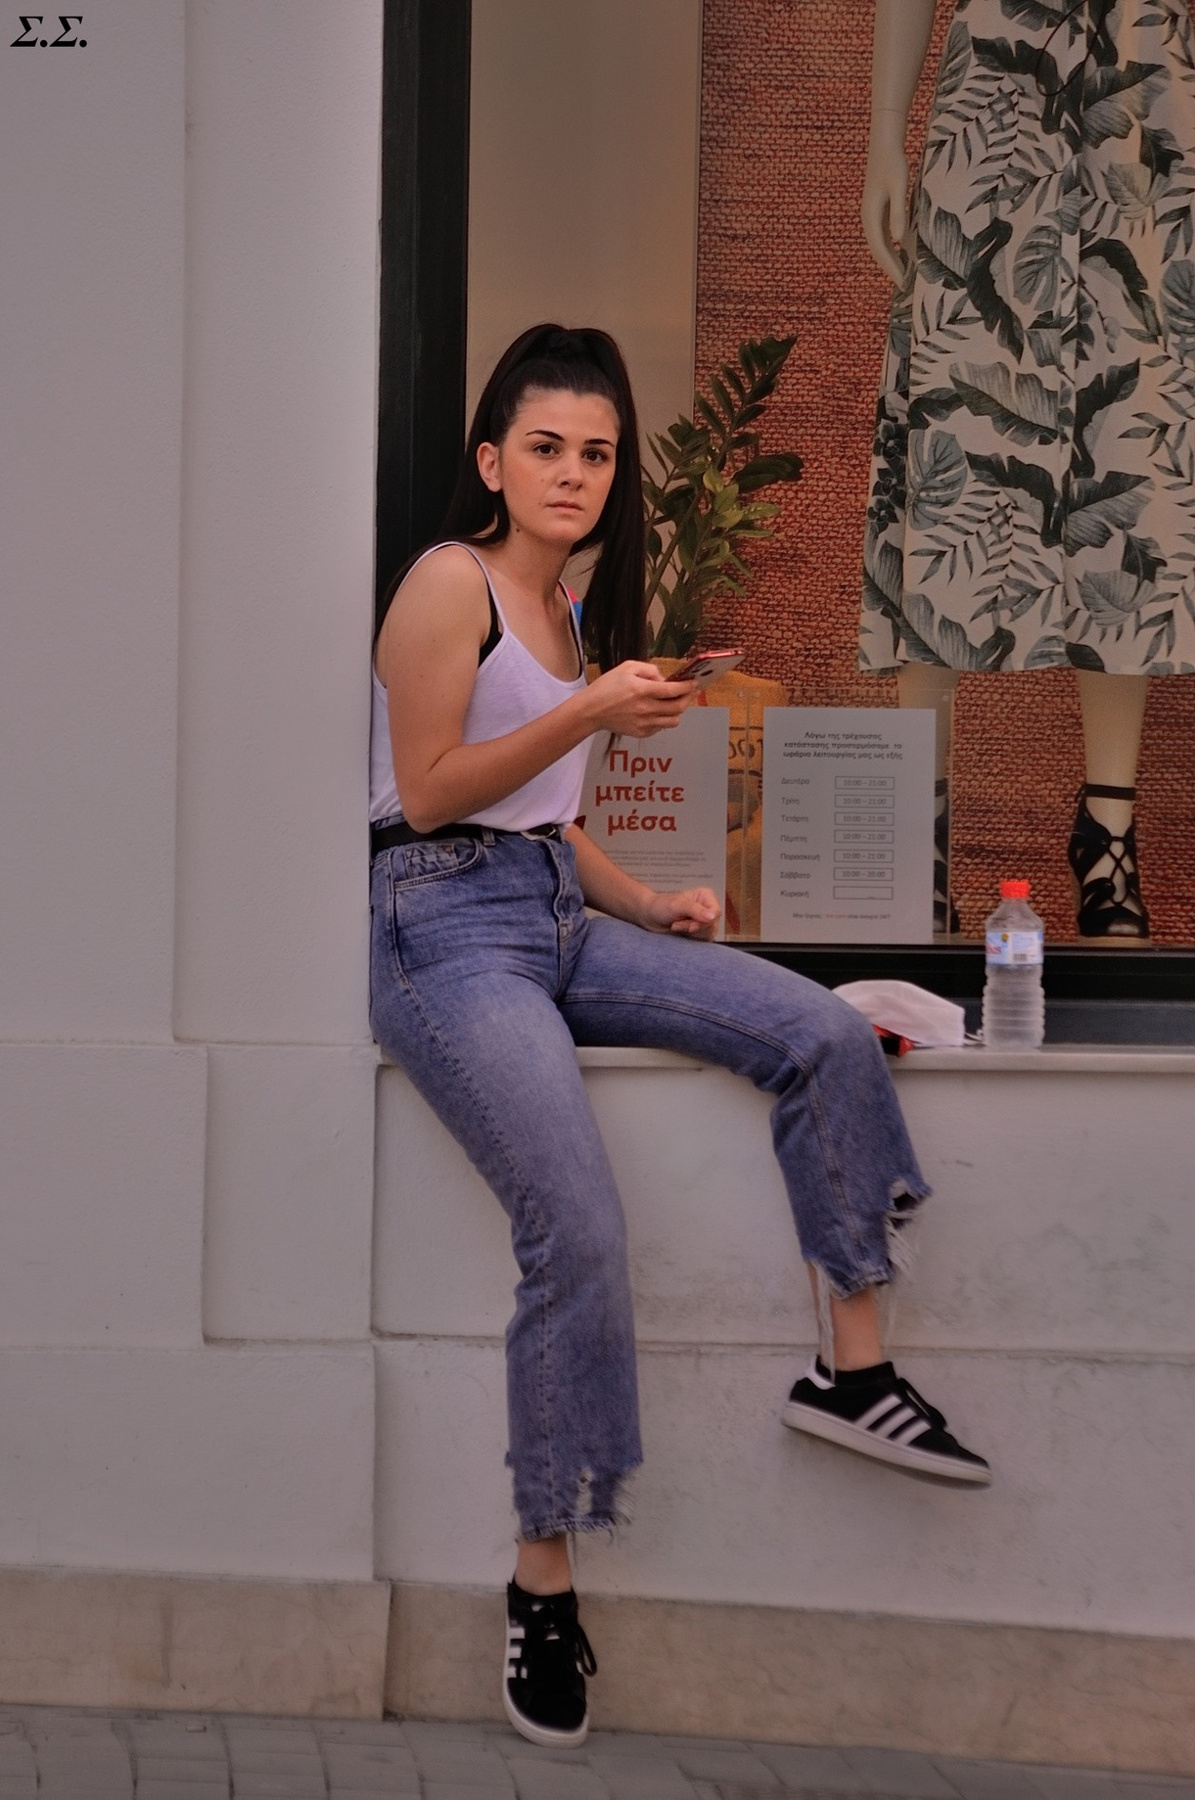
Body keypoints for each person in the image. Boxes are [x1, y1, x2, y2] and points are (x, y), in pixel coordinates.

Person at [369, 323, 990, 1749]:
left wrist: (648, 901)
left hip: (552, 913)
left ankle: (850, 1368)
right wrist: (592, 706)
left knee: (817, 1029)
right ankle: (542, 1579)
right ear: (490, 461)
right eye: (545, 447)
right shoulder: (447, 583)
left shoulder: (568, 606)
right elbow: (432, 789)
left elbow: (544, 823)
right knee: (577, 1226)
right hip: (438, 930)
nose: (573, 474)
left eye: (596, 453)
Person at [860, 0, 1195, 940]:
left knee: (1129, 462)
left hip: (1149, 102)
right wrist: (884, 135)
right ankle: (915, 835)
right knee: (953, 442)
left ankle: (1108, 833)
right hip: (994, 103)